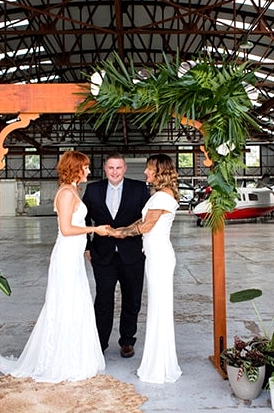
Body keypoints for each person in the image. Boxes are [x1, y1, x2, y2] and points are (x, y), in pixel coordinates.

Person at [0, 150, 109, 382]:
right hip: (67, 256)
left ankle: (74, 355)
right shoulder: (67, 193)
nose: (89, 170)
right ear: (75, 168)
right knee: (66, 303)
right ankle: (60, 359)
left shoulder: (73, 190)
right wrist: (94, 230)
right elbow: (67, 229)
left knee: (75, 302)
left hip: (74, 256)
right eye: (85, 167)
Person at [110, 154, 182, 384]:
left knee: (160, 308)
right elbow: (140, 223)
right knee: (158, 308)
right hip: (154, 255)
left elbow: (145, 226)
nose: (145, 173)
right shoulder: (160, 195)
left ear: (159, 171)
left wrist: (114, 233)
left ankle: (159, 366)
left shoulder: (162, 195)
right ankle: (159, 360)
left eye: (149, 169)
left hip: (160, 256)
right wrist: (118, 229)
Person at [82, 152, 150, 358]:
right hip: (102, 255)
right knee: (103, 300)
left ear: (125, 168)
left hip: (133, 255)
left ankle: (127, 341)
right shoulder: (93, 190)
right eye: (111, 168)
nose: (115, 172)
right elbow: (84, 220)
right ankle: (100, 343)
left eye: (118, 168)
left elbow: (147, 220)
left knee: (132, 299)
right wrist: (87, 247)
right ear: (105, 168)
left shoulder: (139, 189)